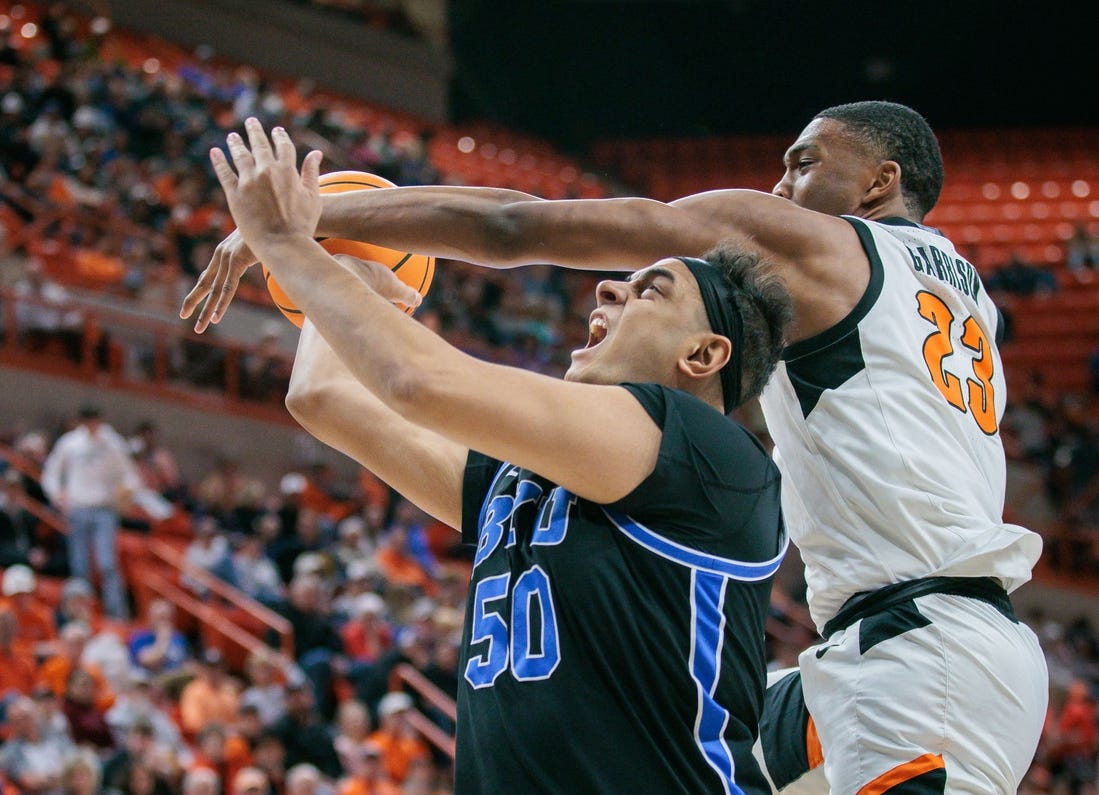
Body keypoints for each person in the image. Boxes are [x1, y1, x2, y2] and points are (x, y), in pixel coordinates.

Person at [182, 104, 1049, 792]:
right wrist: (326, 268)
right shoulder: (959, 301)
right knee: (704, 730)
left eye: (804, 161)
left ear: (878, 183)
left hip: (921, 653)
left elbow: (517, 229)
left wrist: (305, 221)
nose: (778, 185)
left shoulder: (807, 259)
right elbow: (331, 396)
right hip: (871, 652)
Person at [196, 119, 790, 793]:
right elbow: (322, 394)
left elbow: (419, 382)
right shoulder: (523, 482)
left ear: (703, 354)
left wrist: (284, 239)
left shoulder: (707, 453)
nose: (606, 289)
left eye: (651, 289)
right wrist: (349, 265)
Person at [41, 404, 140, 619]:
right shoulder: (71, 443)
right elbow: (51, 473)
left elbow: (130, 476)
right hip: (78, 509)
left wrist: (127, 493)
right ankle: (81, 614)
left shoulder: (112, 443)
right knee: (80, 566)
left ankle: (117, 614)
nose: (91, 425)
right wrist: (56, 494)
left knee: (107, 564)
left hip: (105, 510)